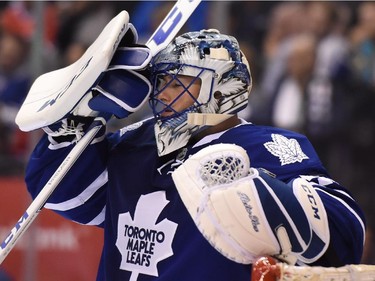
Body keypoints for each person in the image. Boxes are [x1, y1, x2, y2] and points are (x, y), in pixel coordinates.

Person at [22, 24, 365, 281]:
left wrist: (272, 198)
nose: (164, 95)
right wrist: (74, 126)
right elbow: (66, 198)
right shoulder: (134, 141)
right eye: (160, 83)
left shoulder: (268, 145)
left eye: (179, 83)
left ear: (224, 89)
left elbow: (345, 235)